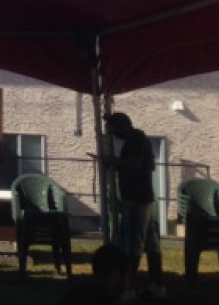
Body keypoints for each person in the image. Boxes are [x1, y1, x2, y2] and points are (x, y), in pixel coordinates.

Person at [103, 112, 166, 301]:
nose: (110, 133)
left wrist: (113, 161)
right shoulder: (141, 138)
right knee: (152, 245)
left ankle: (129, 287)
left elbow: (135, 165)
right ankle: (157, 285)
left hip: (135, 199)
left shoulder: (134, 139)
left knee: (133, 246)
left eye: (111, 128)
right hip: (146, 197)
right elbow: (150, 165)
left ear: (121, 126)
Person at [58, 244, 131, 304]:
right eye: (126, 277)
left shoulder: (76, 293)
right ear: (114, 276)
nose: (127, 284)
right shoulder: (103, 300)